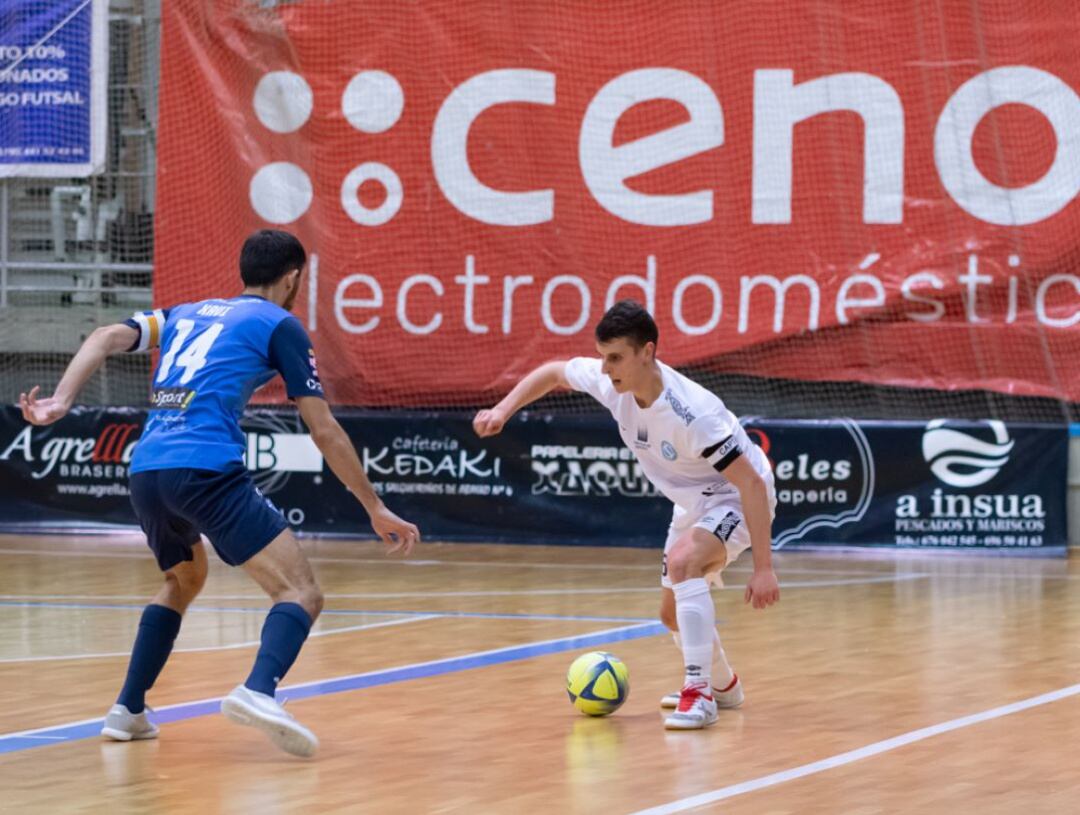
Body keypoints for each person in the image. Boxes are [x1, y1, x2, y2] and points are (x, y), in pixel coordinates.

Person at [19, 229, 420, 757]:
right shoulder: (281, 324)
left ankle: (128, 709)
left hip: (147, 470)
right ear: (293, 278)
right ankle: (258, 691)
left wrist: (61, 401)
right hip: (204, 467)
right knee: (300, 592)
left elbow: (102, 335)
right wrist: (373, 505)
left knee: (183, 579)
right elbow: (323, 429)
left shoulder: (185, 313)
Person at [473, 300, 779, 730]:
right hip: (694, 502)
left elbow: (750, 484)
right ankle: (725, 686)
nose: (605, 368)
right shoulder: (611, 383)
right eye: (603, 356)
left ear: (647, 352)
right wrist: (503, 410)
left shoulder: (694, 413)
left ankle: (700, 693)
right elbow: (555, 372)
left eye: (615, 358)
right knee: (671, 616)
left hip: (737, 497)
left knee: (684, 563)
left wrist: (764, 568)